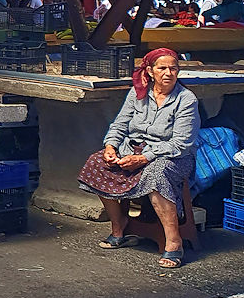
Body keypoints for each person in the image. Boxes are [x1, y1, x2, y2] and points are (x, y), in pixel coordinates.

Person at [77, 48, 198, 269]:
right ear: (150, 71)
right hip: (133, 150)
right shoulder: (138, 92)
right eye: (162, 68)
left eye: (173, 68)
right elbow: (119, 124)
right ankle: (119, 226)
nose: (168, 73)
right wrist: (110, 146)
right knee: (96, 162)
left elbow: (181, 144)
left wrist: (143, 158)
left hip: (173, 156)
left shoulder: (186, 99)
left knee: (157, 173)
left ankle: (174, 242)